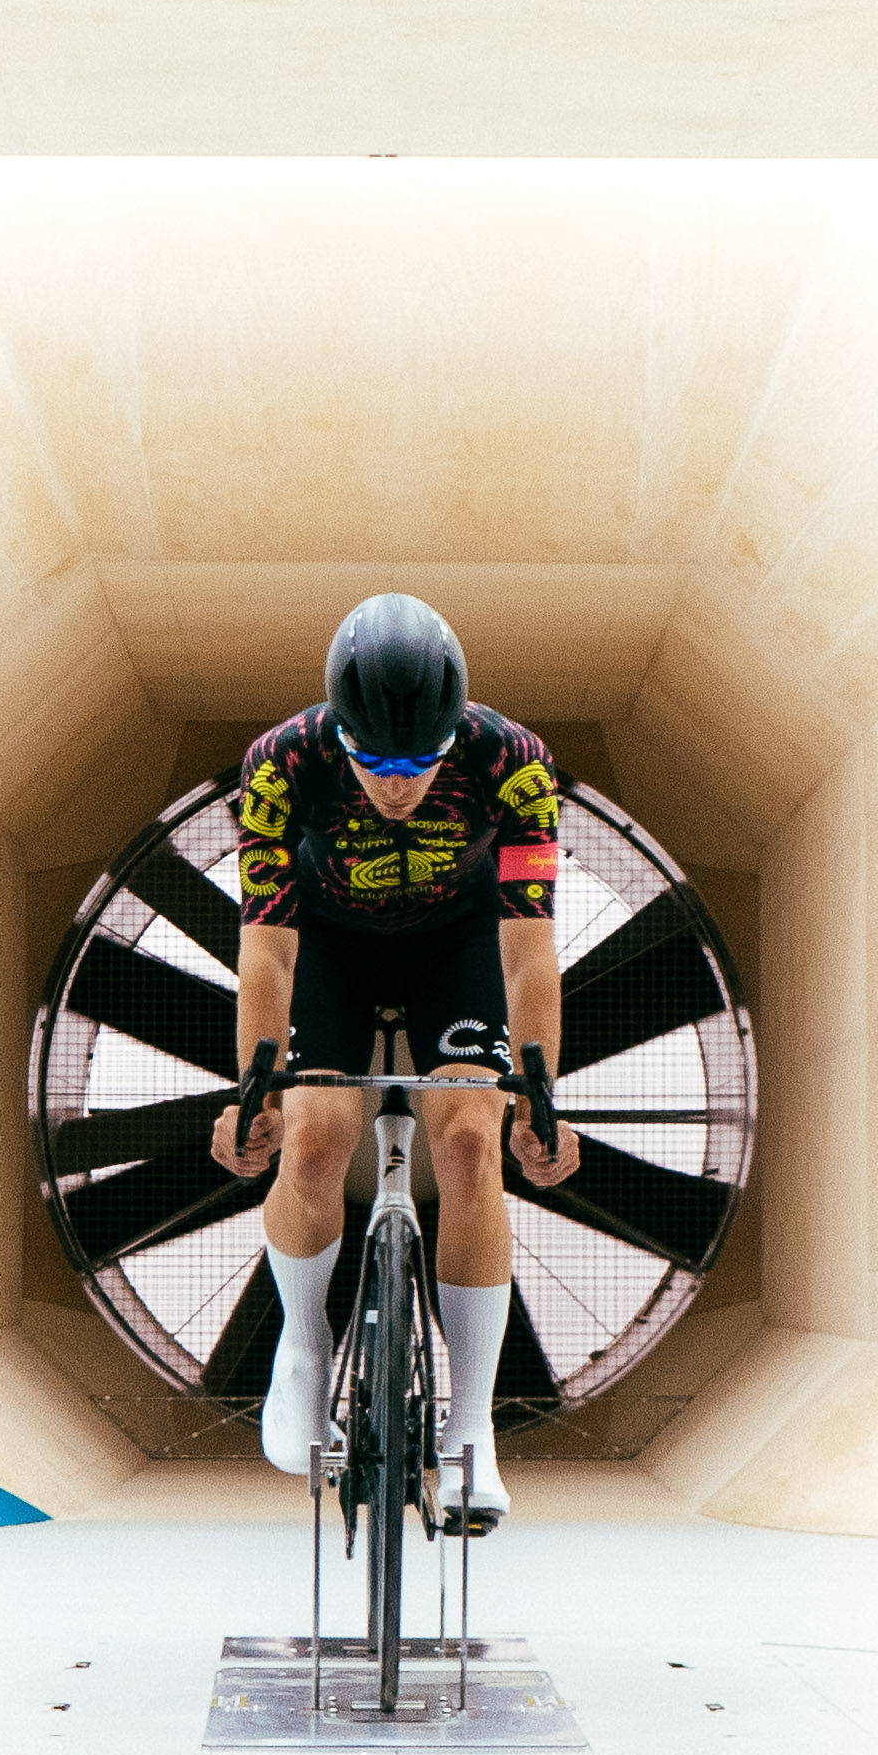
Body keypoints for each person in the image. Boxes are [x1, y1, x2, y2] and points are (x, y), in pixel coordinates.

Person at [201, 592, 582, 1529]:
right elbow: (267, 950)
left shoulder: (514, 762)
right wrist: (254, 1087)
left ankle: (469, 1433)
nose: (400, 783)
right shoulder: (280, 765)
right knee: (316, 1132)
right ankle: (303, 1344)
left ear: (457, 736)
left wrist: (537, 1093)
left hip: (458, 946)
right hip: (326, 944)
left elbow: (529, 949)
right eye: (376, 762)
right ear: (340, 734)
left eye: (423, 761)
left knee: (467, 1143)